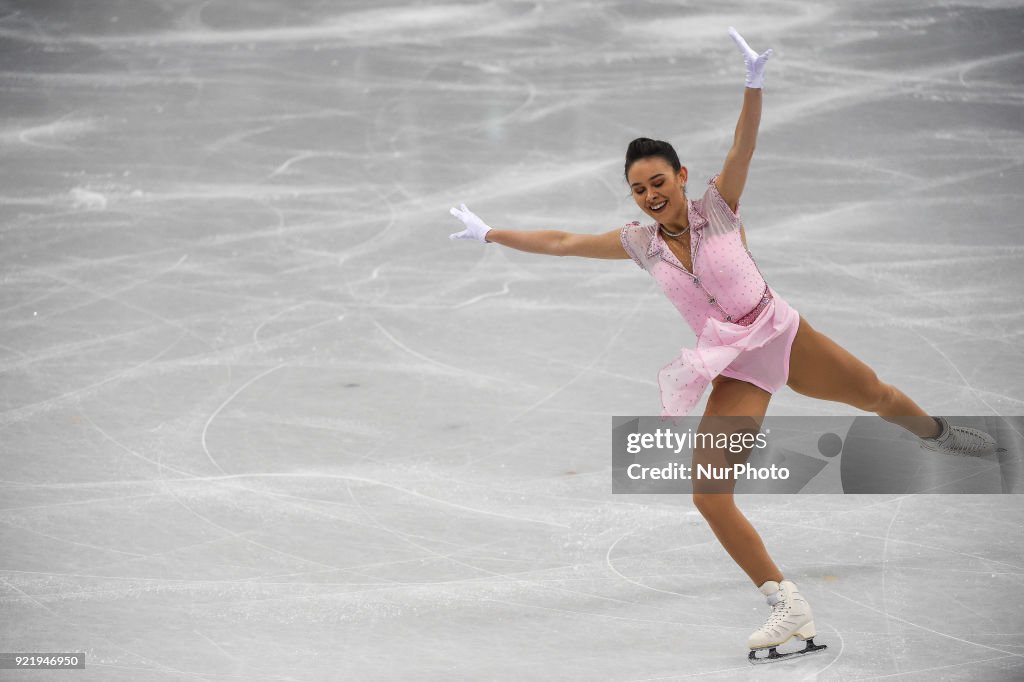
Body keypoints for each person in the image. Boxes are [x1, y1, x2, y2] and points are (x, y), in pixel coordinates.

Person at [448, 27, 997, 663]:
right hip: (737, 367)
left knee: (875, 393)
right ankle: (786, 602)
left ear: (681, 176)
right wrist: (491, 234)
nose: (651, 195)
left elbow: (744, 144)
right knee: (709, 496)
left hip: (783, 335)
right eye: (638, 189)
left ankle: (940, 435)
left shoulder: (720, 208)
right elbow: (565, 242)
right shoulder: (639, 244)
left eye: (659, 181)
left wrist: (753, 83)